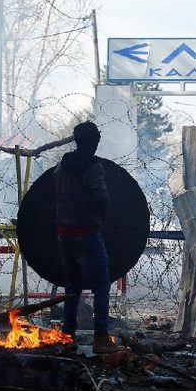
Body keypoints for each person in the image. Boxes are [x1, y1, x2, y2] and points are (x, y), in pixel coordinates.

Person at [55, 121, 124, 354]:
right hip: (87, 233)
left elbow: (56, 189)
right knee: (101, 286)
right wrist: (99, 216)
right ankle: (101, 338)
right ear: (95, 142)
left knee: (72, 287)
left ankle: (67, 334)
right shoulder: (93, 167)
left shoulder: (62, 165)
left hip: (64, 234)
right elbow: (101, 196)